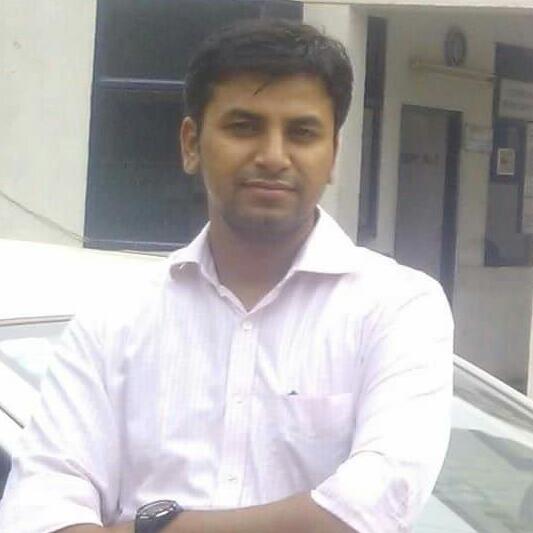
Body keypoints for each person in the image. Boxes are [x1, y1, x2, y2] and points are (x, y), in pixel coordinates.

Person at [0, 19, 453, 533]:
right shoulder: (115, 322)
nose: (273, 156)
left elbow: (368, 507)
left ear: (333, 155)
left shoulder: (399, 308)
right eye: (244, 127)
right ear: (191, 144)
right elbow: (39, 511)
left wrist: (154, 528)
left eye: (302, 133)